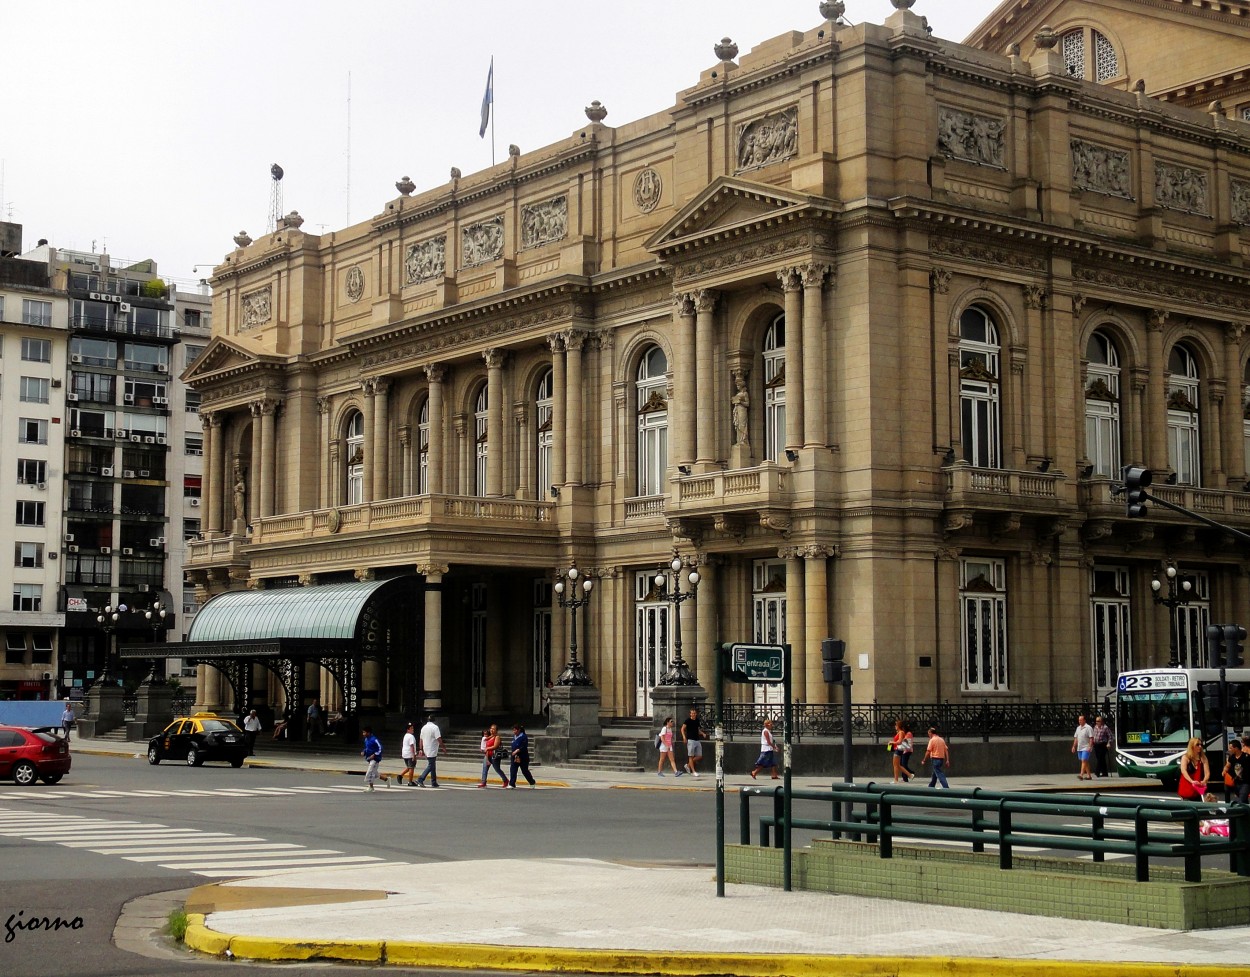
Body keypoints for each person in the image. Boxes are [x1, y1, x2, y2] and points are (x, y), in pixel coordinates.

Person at [1177, 736, 1209, 800]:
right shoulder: (1185, 757)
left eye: (1201, 744)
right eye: (1197, 745)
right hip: (1187, 787)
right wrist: (1191, 781)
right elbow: (1183, 771)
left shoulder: (1203, 757)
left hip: (1198, 788)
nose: (1200, 746)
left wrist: (1205, 780)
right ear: (1192, 746)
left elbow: (1207, 772)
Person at [478, 723, 508, 788]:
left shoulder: (497, 737)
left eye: (493, 729)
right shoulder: (489, 737)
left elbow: (495, 746)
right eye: (491, 728)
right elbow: (485, 744)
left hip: (494, 756)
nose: (492, 730)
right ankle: (483, 782)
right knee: (485, 768)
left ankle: (505, 780)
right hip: (487, 755)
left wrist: (487, 748)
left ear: (496, 730)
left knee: (497, 769)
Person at [416, 715, 443, 787]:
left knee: (433, 765)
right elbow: (439, 738)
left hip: (426, 748)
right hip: (432, 749)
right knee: (431, 765)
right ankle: (421, 779)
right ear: (434, 720)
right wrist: (443, 747)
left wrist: (420, 749)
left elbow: (420, 739)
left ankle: (434, 781)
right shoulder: (435, 727)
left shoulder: (423, 728)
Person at [508, 723, 536, 789]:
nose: (514, 732)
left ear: (519, 730)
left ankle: (532, 782)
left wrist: (518, 750)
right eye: (513, 730)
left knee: (524, 771)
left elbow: (524, 746)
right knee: (513, 770)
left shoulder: (524, 737)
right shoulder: (514, 737)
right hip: (515, 756)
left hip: (523, 756)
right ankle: (512, 783)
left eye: (515, 730)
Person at [1223, 739, 1250, 804]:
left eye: (1231, 748)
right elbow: (1227, 766)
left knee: (1241, 801)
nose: (1229, 749)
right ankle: (1247, 812)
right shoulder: (1231, 757)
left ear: (1236, 748)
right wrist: (1224, 771)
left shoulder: (1246, 757)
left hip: (1246, 783)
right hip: (1236, 783)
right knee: (1244, 801)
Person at [681, 708, 704, 778]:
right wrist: (684, 737)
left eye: (694, 713)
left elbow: (697, 729)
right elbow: (682, 729)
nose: (693, 714)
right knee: (690, 756)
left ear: (696, 714)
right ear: (690, 714)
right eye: (692, 713)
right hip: (690, 740)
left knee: (699, 756)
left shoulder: (697, 720)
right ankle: (693, 771)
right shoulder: (688, 721)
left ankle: (688, 765)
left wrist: (702, 733)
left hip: (697, 740)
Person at [1071, 714, 1094, 780]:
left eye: (1081, 720)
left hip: (1086, 747)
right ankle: (1089, 776)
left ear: (1084, 720)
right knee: (1084, 761)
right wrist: (1073, 746)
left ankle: (1081, 775)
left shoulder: (1088, 728)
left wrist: (1090, 746)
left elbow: (1091, 738)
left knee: (1084, 760)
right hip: (1080, 747)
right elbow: (1076, 738)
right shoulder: (1078, 728)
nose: (1079, 721)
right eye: (1079, 720)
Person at [360, 726, 382, 792]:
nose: (363, 734)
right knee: (374, 773)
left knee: (370, 772)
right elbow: (367, 748)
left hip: (375, 759)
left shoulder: (374, 740)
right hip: (369, 758)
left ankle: (371, 787)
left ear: (368, 733)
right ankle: (386, 779)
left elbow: (380, 748)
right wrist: (364, 751)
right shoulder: (366, 740)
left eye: (364, 732)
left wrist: (374, 754)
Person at [889, 719, 911, 783]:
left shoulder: (901, 732)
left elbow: (900, 742)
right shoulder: (899, 732)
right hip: (898, 749)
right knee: (898, 765)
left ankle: (896, 780)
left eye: (896, 725)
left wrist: (892, 742)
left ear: (899, 726)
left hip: (898, 749)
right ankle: (910, 775)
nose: (895, 726)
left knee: (895, 765)